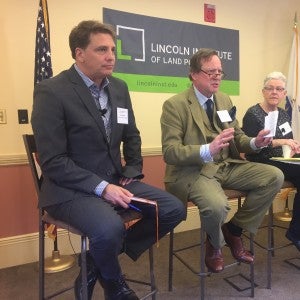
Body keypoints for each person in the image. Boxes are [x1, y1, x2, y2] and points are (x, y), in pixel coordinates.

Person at [31, 20, 185, 300]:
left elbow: (132, 134)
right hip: (69, 190)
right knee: (109, 227)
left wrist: (133, 167)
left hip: (116, 178)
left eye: (112, 49)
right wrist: (102, 188)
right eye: (101, 49)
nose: (111, 56)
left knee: (173, 208)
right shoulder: (51, 91)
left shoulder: (119, 87)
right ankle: (113, 283)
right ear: (79, 54)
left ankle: (94, 264)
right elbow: (53, 161)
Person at [160, 48, 284, 273]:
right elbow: (170, 151)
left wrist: (255, 142)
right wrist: (208, 149)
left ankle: (234, 230)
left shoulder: (224, 99)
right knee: (217, 206)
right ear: (194, 74)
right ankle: (215, 245)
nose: (217, 76)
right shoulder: (175, 105)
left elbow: (237, 136)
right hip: (196, 170)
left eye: (220, 72)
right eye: (211, 72)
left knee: (274, 176)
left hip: (228, 165)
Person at [242, 71, 300, 251]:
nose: (274, 92)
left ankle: (296, 231)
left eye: (279, 89)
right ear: (263, 91)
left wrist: (294, 148)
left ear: (284, 94)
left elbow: (288, 139)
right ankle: (296, 234)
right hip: (261, 161)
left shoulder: (283, 114)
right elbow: (250, 146)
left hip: (282, 159)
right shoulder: (253, 113)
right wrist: (282, 141)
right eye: (270, 88)